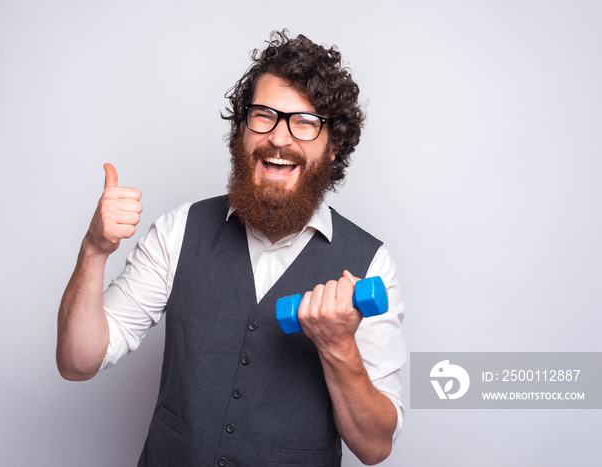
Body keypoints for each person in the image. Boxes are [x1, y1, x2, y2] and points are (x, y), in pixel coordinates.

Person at [57, 30, 407, 466]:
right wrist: (94, 250)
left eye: (304, 122)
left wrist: (338, 346)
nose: (279, 138)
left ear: (333, 147)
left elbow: (375, 446)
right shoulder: (179, 230)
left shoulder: (371, 264)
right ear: (241, 131)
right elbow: (77, 362)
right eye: (264, 116)